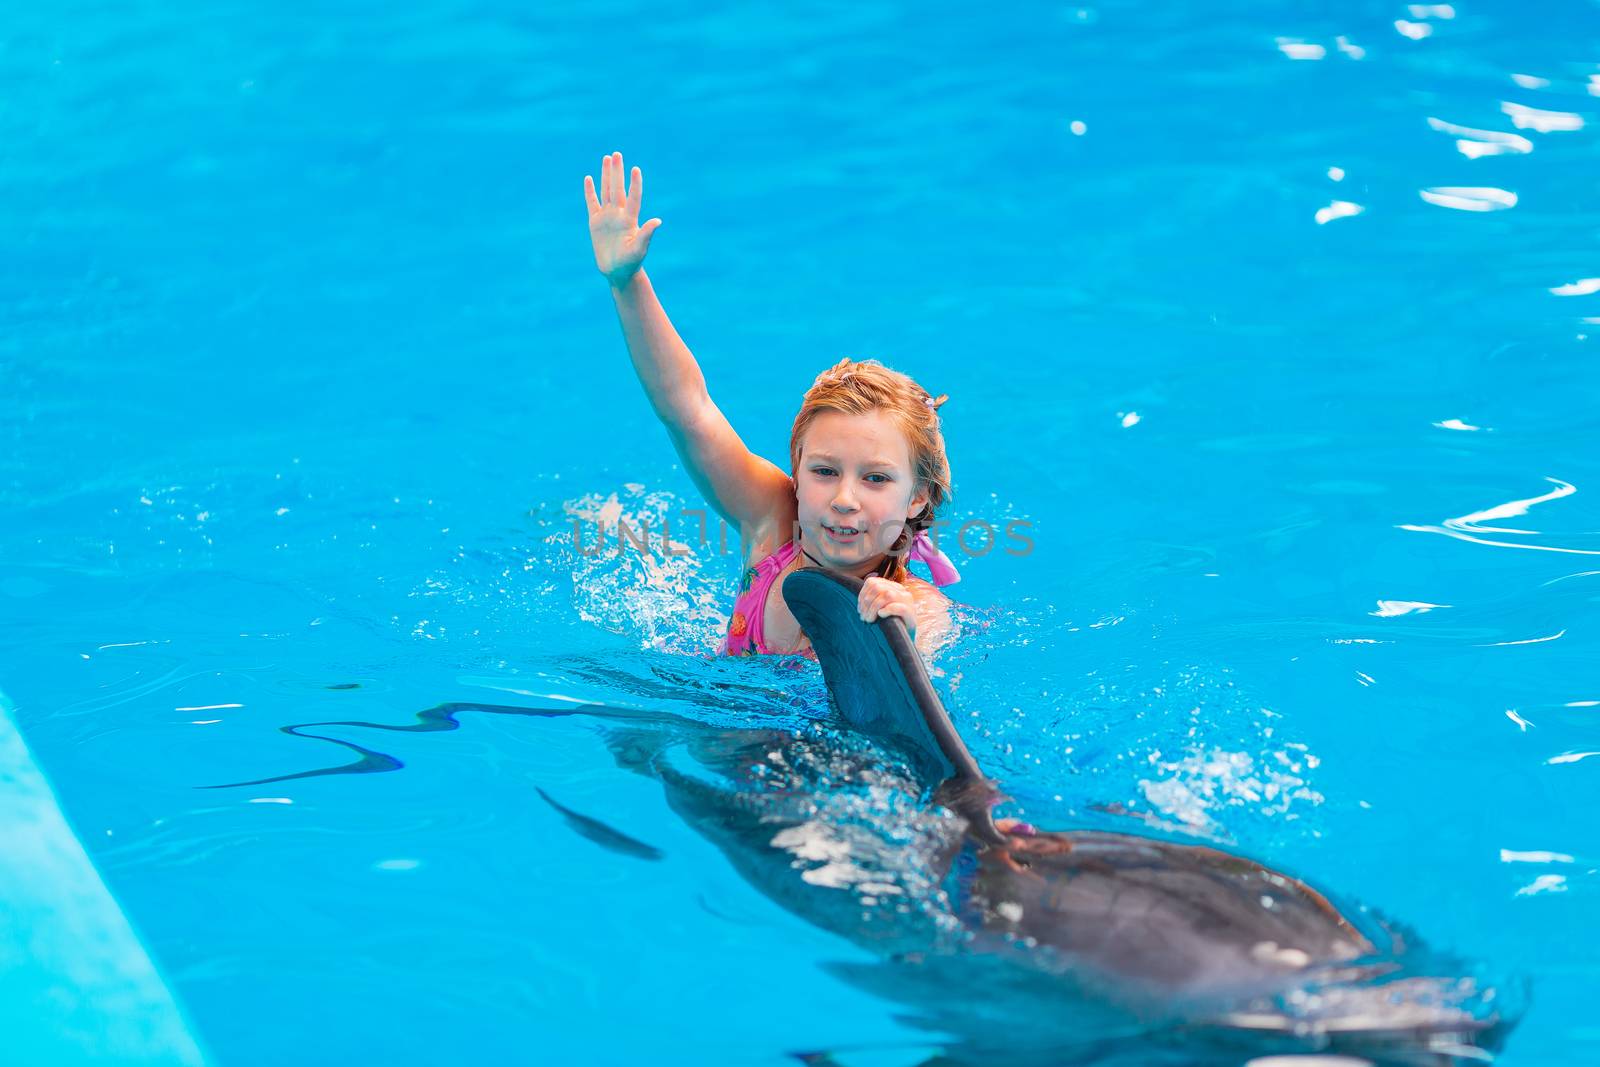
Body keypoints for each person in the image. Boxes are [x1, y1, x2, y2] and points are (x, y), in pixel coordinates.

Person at [583, 151, 961, 657]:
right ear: (797, 472)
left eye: (875, 478)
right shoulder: (772, 520)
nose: (844, 498)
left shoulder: (919, 604)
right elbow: (688, 410)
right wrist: (627, 284)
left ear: (916, 497)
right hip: (719, 724)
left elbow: (923, 680)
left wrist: (902, 635)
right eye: (825, 471)